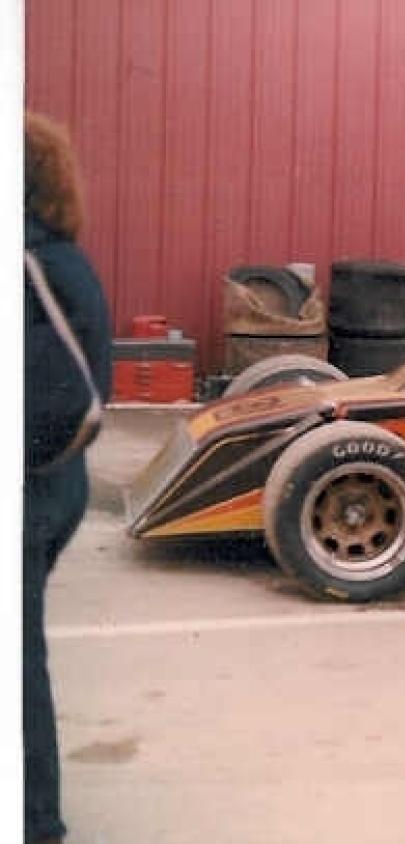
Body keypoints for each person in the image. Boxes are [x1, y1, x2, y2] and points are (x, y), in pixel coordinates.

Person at [24, 110, 113, 843]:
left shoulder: (25, 262)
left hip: (29, 486)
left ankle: (35, 822)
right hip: (59, 480)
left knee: (15, 664)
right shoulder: (59, 255)